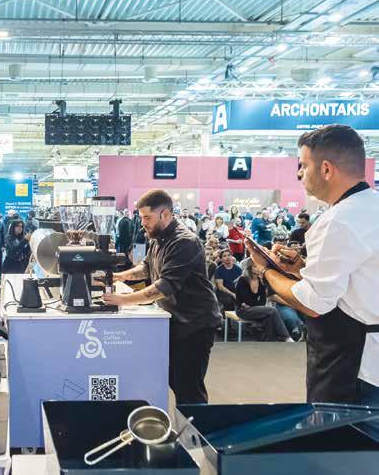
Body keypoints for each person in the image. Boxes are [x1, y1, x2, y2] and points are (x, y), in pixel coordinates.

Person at [246, 124, 379, 409]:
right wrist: (302, 268)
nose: (299, 174)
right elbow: (360, 278)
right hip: (368, 360)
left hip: (355, 367)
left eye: (303, 165)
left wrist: (268, 271)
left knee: (341, 437)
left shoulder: (339, 220)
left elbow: (314, 303)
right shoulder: (371, 207)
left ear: (326, 169)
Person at [103, 190, 221, 404]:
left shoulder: (184, 242)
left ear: (165, 214)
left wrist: (122, 300)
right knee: (174, 381)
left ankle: (197, 425)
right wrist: (119, 277)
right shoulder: (158, 238)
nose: (143, 223)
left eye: (147, 217)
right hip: (175, 321)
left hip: (195, 324)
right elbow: (146, 268)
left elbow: (163, 287)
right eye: (141, 218)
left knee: (189, 390)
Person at [235, 259, 291, 341]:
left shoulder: (261, 281)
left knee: (269, 317)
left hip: (253, 308)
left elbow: (263, 301)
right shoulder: (242, 280)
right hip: (242, 310)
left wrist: (254, 306)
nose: (258, 268)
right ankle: (286, 337)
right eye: (255, 266)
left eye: (259, 266)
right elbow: (245, 299)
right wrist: (254, 305)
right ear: (249, 268)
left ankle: (270, 340)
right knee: (272, 310)